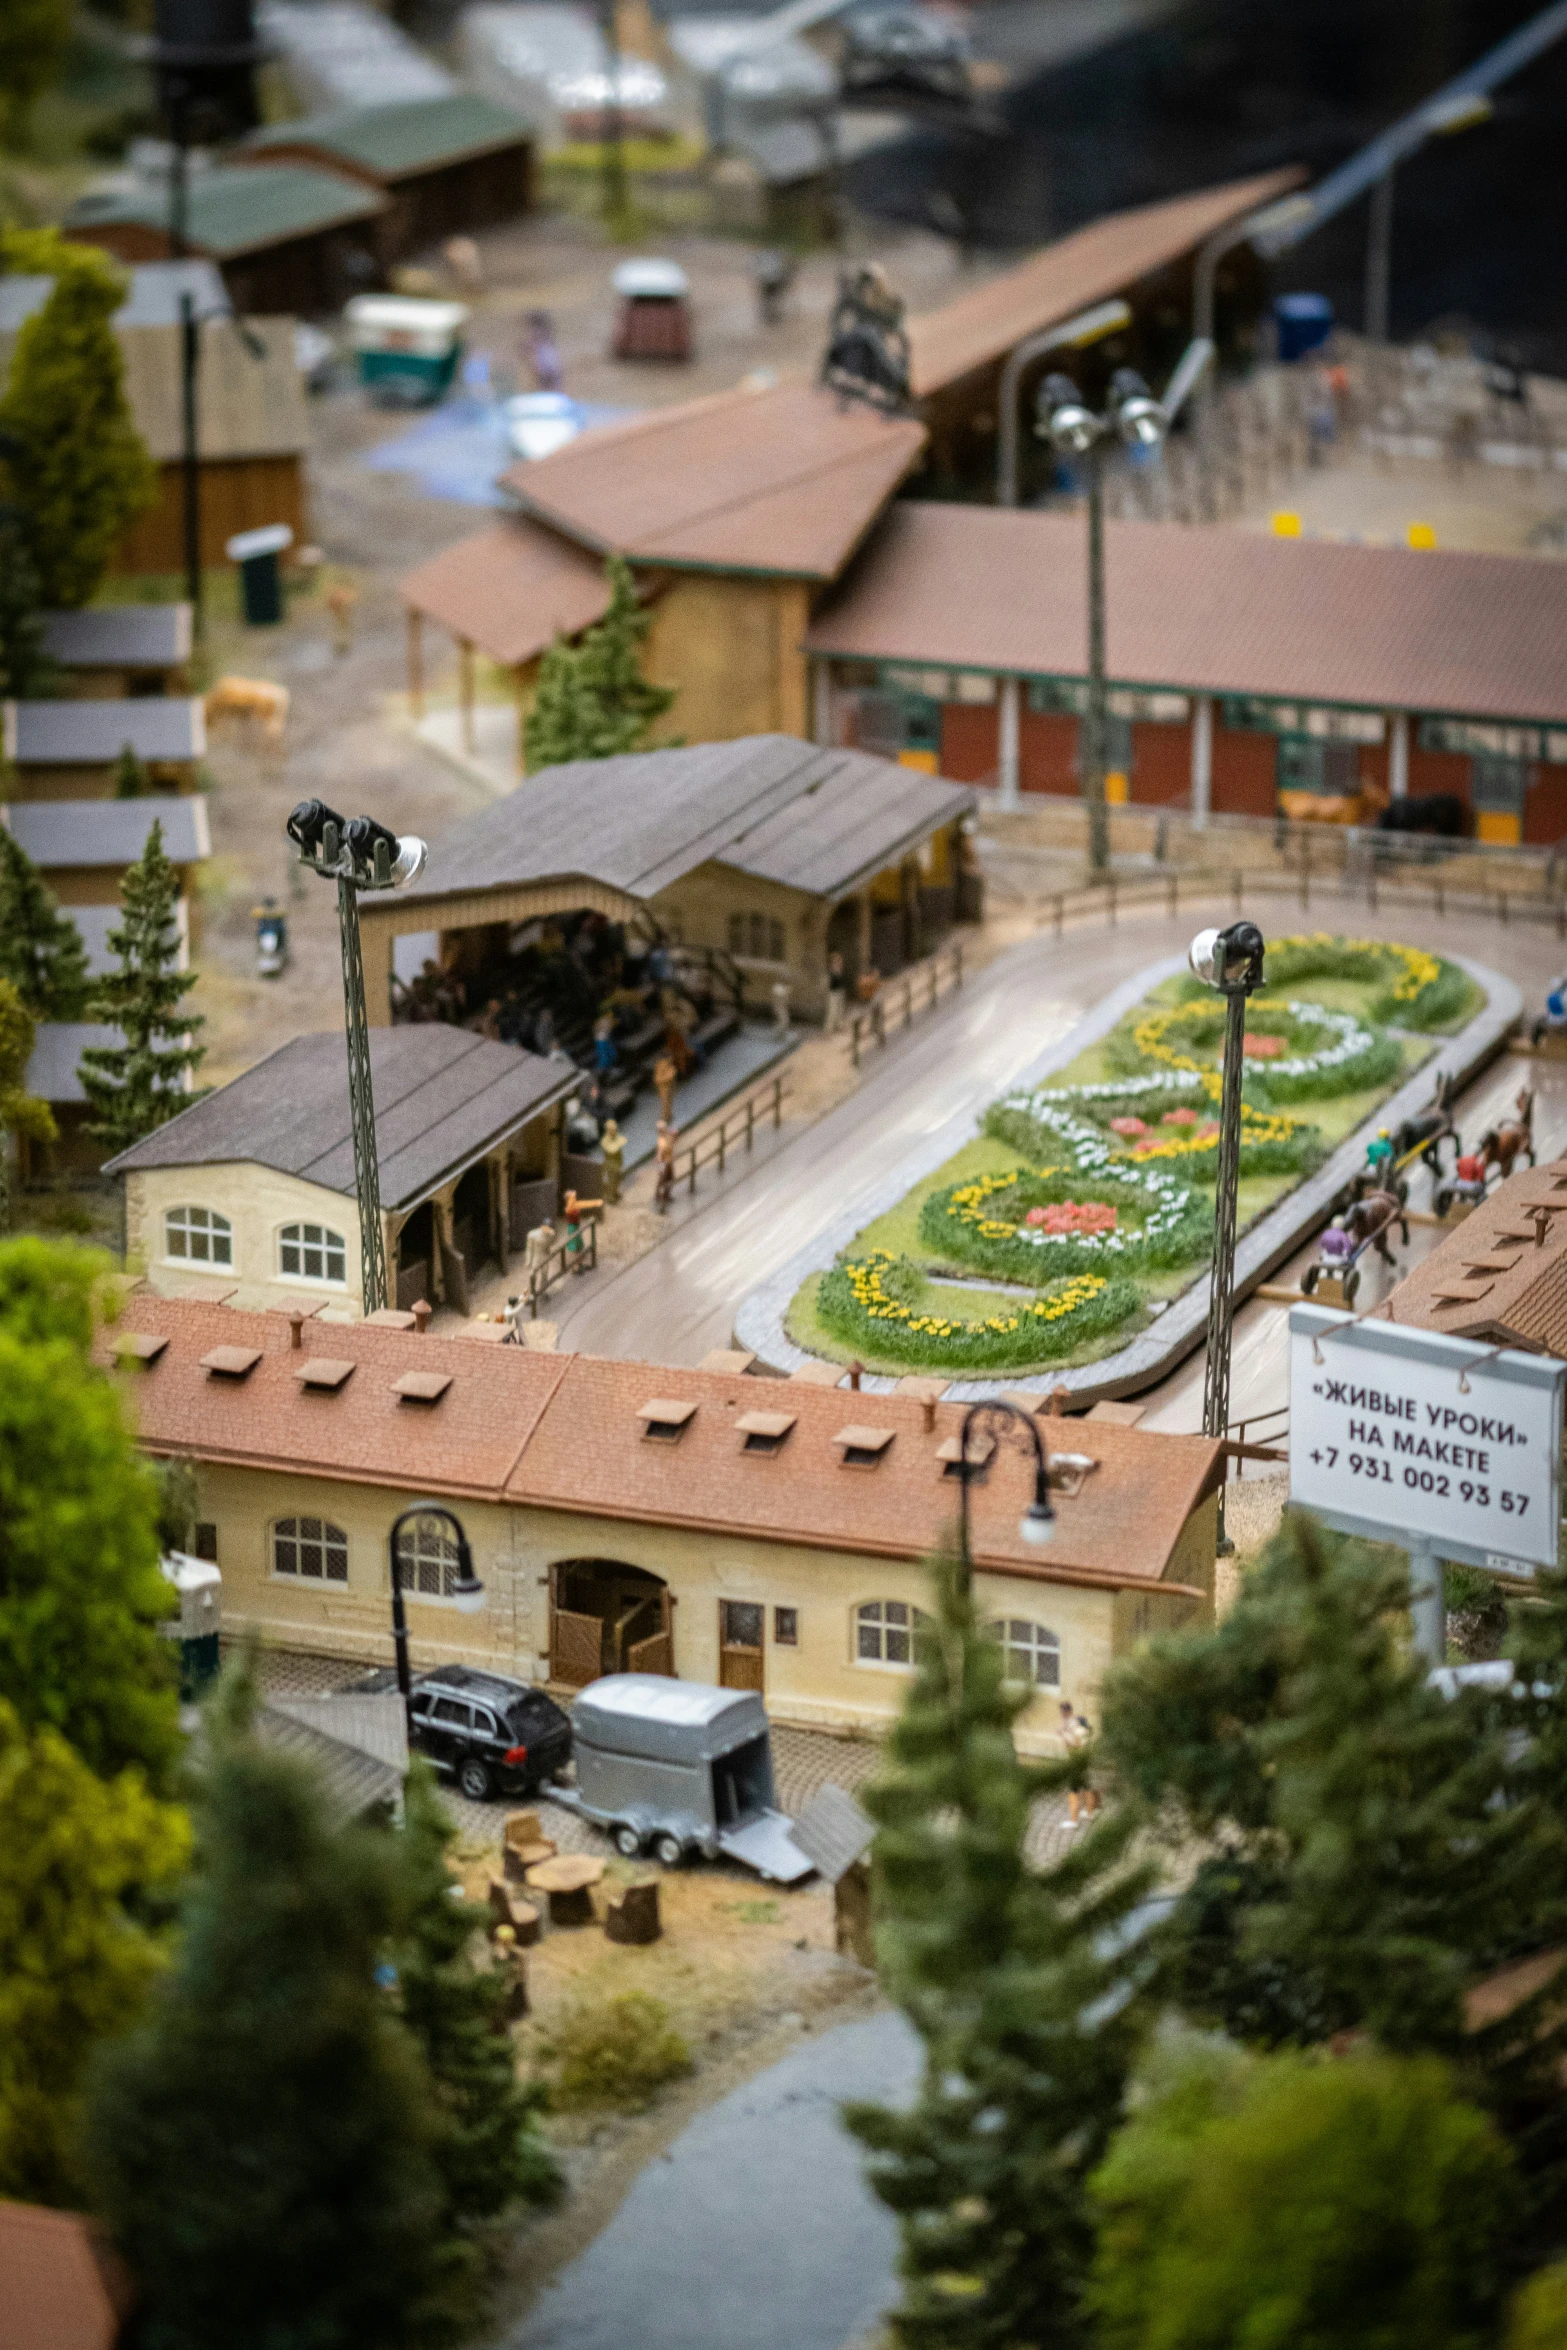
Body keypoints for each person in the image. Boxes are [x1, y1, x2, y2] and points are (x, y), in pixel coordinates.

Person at [1059, 1702, 1099, 1827]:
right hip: (1084, 1764)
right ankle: (1089, 1812)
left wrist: (1063, 1734)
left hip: (1076, 1765)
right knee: (1087, 1787)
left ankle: (1073, 1820)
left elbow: (1074, 1744)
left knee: (1073, 1792)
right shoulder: (1087, 1733)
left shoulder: (1078, 1732)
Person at [600, 1117, 626, 1205]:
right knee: (611, 1181)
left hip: (617, 1162)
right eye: (613, 1129)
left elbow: (622, 1141)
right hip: (611, 1164)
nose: (615, 1130)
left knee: (618, 1179)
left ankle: (615, 1192)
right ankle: (610, 1197)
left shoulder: (616, 1137)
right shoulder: (605, 1141)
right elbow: (612, 1150)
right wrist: (618, 1144)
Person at [654, 1119, 676, 1214]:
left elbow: (675, 1137)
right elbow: (660, 1151)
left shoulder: (667, 1137)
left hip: (669, 1160)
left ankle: (665, 1194)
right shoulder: (662, 1140)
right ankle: (661, 1195)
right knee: (664, 1179)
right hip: (665, 1162)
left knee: (669, 1178)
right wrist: (659, 1159)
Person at [825, 949, 846, 1033]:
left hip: (840, 991)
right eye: (837, 961)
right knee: (832, 1010)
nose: (839, 963)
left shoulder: (839, 970)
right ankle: (828, 1029)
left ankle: (839, 1026)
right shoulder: (831, 972)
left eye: (839, 961)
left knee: (840, 1009)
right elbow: (830, 983)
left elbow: (841, 981)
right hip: (833, 992)